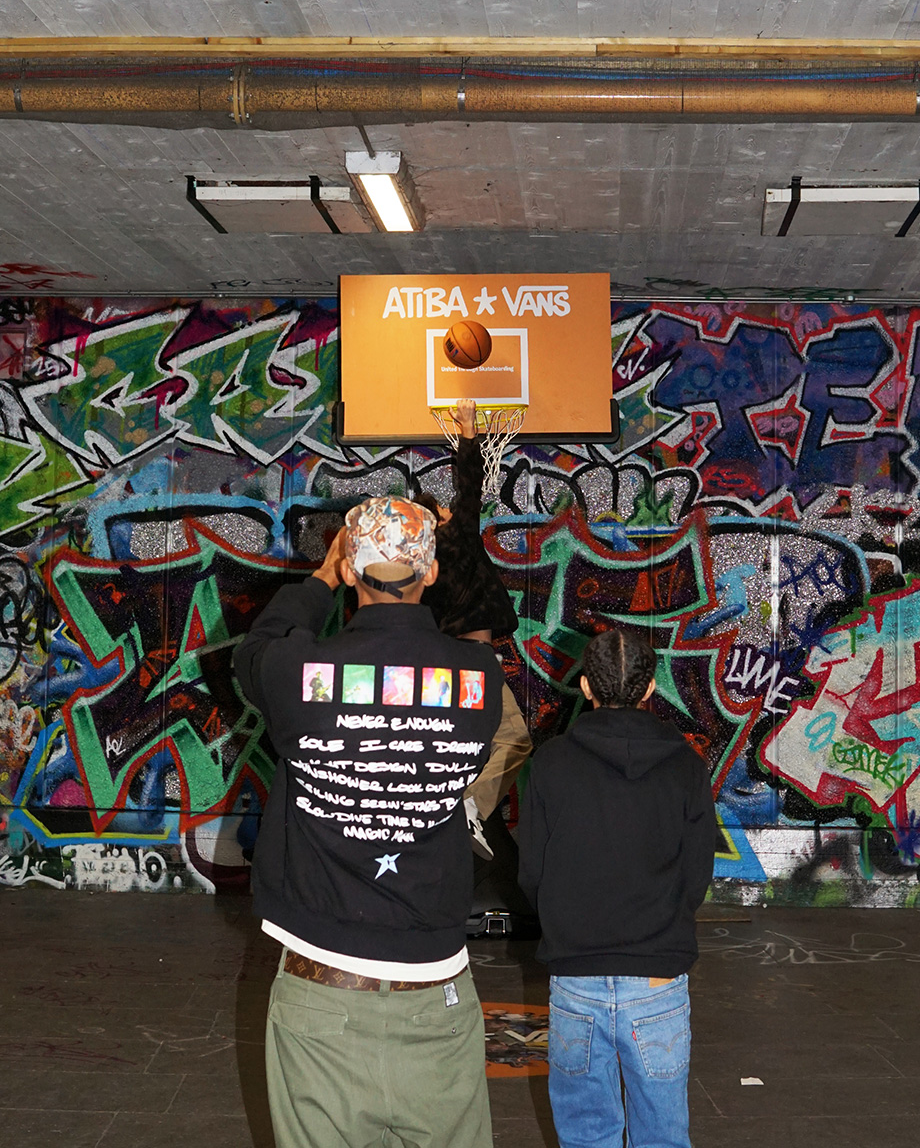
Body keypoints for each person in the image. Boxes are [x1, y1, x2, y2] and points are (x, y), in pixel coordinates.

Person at [233, 495, 505, 1148]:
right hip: (437, 997)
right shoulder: (478, 679)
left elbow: (258, 646)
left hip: (320, 1001)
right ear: (430, 574)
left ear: (351, 568)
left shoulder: (301, 672)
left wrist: (323, 577)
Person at [517, 628, 717, 1148]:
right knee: (663, 1137)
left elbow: (532, 872)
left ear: (586, 687)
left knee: (586, 1135)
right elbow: (697, 876)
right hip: (657, 978)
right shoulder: (686, 767)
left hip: (575, 978)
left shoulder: (550, 763)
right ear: (650, 688)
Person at [418, 398, 532, 853]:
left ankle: (435, 809)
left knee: (447, 746)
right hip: (474, 660)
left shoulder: (415, 563)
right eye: (446, 513)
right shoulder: (455, 540)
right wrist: (468, 431)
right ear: (441, 521)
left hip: (441, 662)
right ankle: (465, 808)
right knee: (514, 741)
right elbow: (469, 491)